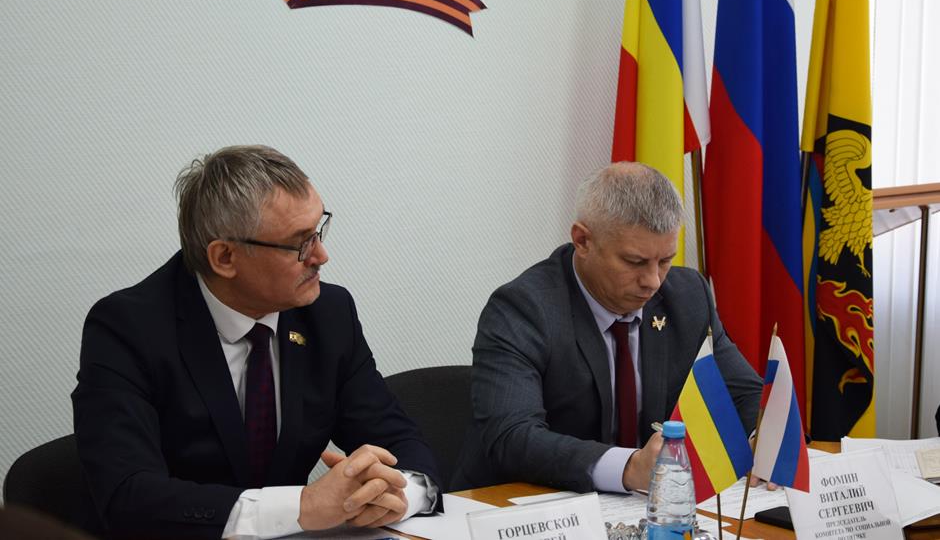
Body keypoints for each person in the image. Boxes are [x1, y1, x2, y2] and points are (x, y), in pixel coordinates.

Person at [72, 145, 441, 539]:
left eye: (318, 230)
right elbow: (129, 497)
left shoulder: (328, 314)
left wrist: (401, 494)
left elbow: (400, 441)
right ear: (225, 257)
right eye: (300, 243)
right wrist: (303, 507)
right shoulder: (128, 329)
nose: (321, 255)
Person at [452, 162, 762, 493]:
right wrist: (628, 467)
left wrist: (762, 437)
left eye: (665, 260)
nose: (653, 281)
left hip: (643, 507)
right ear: (582, 240)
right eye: (635, 262)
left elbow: (744, 394)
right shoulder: (523, 309)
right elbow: (512, 437)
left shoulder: (688, 297)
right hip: (525, 505)